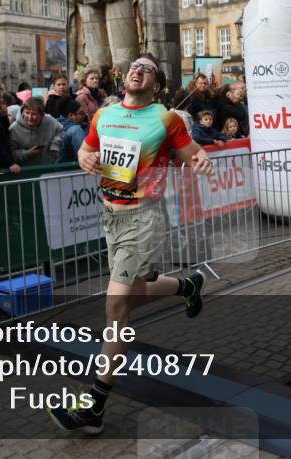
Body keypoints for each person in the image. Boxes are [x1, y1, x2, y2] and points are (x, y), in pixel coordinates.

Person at [49, 53, 213, 435]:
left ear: (156, 85)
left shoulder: (165, 117)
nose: (140, 71)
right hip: (110, 217)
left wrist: (201, 159)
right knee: (130, 293)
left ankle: (94, 405)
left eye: (149, 70)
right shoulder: (104, 115)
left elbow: (191, 151)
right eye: (136, 67)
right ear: (125, 78)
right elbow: (87, 150)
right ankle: (186, 286)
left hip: (143, 218)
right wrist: (83, 157)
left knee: (115, 307)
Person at [10, 97, 64, 166]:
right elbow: (11, 153)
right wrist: (29, 153)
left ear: (42, 115)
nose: (29, 117)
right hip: (26, 171)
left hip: (48, 167)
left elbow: (61, 132)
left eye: (34, 114)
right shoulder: (14, 129)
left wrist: (55, 144)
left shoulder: (50, 121)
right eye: (27, 113)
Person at [57, 99, 89, 164]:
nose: (84, 116)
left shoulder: (56, 125)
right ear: (71, 115)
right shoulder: (75, 130)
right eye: (81, 113)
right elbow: (88, 157)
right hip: (69, 170)